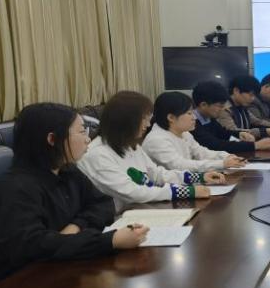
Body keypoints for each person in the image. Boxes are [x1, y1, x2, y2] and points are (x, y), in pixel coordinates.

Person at [0, 102, 148, 288]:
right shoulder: (14, 188)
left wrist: (76, 226)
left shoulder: (67, 170)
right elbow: (34, 247)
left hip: (57, 271)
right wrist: (111, 241)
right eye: (82, 131)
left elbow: (102, 204)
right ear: (52, 139)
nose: (88, 139)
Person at [78, 90, 222, 212]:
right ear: (126, 121)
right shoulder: (97, 155)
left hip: (144, 209)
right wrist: (186, 191)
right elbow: (133, 192)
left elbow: (157, 174)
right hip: (119, 220)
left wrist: (199, 177)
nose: (147, 125)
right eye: (144, 119)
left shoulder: (129, 145)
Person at [143, 91, 246, 173]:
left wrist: (227, 156)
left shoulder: (184, 133)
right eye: (189, 113)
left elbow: (201, 152)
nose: (194, 118)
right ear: (171, 117)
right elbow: (180, 166)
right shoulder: (156, 140)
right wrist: (222, 163)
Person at [189, 80, 270, 154]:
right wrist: (255, 145)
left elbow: (223, 133)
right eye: (220, 106)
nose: (223, 108)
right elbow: (215, 145)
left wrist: (239, 134)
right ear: (203, 105)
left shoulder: (209, 118)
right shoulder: (192, 124)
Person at [220, 74, 270, 141]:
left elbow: (257, 121)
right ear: (236, 91)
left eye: (254, 96)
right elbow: (233, 132)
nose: (253, 99)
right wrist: (265, 132)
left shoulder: (242, 106)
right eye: (251, 95)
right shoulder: (223, 108)